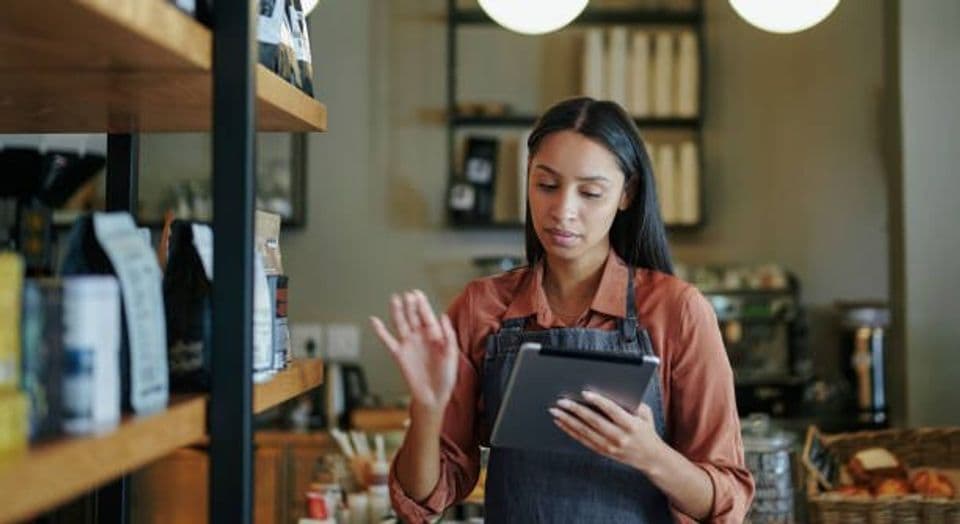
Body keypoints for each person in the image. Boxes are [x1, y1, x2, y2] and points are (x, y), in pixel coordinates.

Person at [370, 97, 754, 523]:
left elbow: (728, 501)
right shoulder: (482, 307)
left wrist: (650, 455)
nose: (563, 211)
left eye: (590, 192)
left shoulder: (677, 311)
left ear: (627, 194)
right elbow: (424, 501)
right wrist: (426, 408)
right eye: (546, 185)